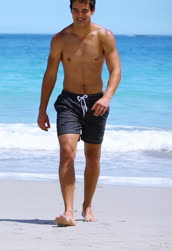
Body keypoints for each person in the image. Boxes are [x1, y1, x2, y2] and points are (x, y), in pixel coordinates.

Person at [37, 0, 121, 226]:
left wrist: (107, 97)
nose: (80, 14)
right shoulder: (60, 39)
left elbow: (116, 70)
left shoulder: (104, 36)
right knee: (67, 151)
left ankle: (87, 206)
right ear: (70, 10)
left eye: (85, 10)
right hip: (69, 100)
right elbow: (50, 75)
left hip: (97, 102)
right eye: (76, 9)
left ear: (92, 10)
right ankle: (68, 211)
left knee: (92, 156)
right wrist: (42, 109)